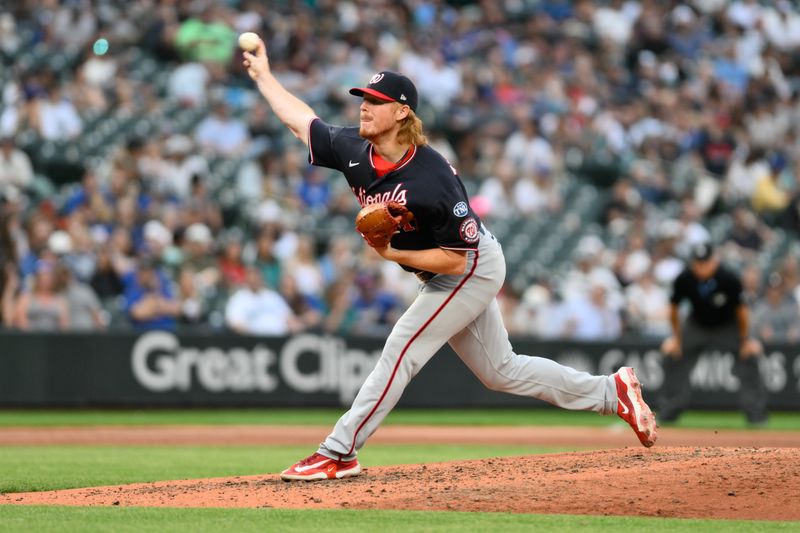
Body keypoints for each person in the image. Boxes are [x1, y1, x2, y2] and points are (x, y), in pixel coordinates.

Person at [242, 37, 658, 482]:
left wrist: (390, 252)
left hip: (469, 265)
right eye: (363, 98)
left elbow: (457, 262)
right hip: (445, 268)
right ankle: (612, 393)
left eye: (375, 102)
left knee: (401, 347)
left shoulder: (432, 177)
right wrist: (265, 76)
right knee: (502, 371)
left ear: (402, 113)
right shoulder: (352, 150)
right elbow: (301, 121)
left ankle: (339, 451)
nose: (364, 106)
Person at [659, 242, 768, 425]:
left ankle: (756, 414)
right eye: (698, 263)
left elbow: (742, 312)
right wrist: (676, 339)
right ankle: (669, 411)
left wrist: (746, 340)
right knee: (672, 354)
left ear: (714, 261)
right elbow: (673, 310)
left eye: (705, 262)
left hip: (728, 325)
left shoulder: (729, 278)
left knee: (750, 356)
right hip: (697, 325)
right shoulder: (685, 279)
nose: (701, 268)